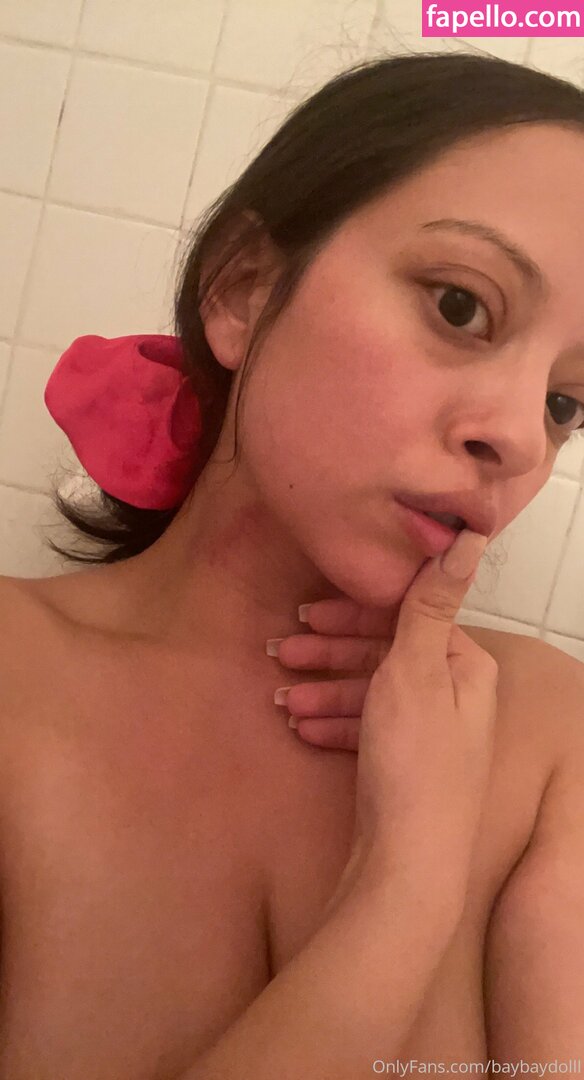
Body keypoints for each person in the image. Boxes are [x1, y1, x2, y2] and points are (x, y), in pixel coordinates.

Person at [2, 50, 584, 1078]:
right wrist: (406, 889)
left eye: (565, 400)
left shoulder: (552, 739)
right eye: (460, 306)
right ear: (242, 288)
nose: (517, 437)